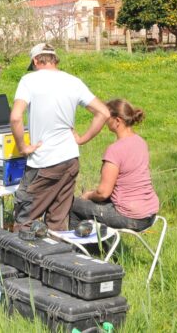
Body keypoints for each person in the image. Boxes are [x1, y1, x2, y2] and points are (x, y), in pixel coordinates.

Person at [10, 43, 111, 231]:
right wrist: (82, 140)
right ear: (55, 59)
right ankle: (55, 258)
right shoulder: (74, 81)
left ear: (35, 61)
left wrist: (23, 147)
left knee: (24, 219)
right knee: (57, 221)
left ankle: (18, 258)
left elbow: (16, 117)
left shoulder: (29, 80)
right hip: (70, 161)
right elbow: (103, 113)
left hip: (43, 163)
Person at [69, 98, 159, 232]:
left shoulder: (115, 150)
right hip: (149, 213)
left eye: (107, 118)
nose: (105, 121)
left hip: (131, 217)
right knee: (92, 205)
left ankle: (82, 249)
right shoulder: (140, 142)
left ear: (118, 121)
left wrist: (87, 195)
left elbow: (103, 193)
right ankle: (101, 245)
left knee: (72, 205)